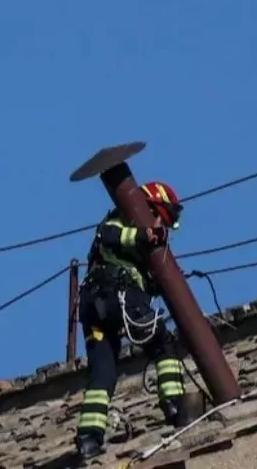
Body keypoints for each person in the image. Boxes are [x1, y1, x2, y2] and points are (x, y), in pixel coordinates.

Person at [73, 181, 190, 461]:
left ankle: (89, 438)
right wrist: (144, 235)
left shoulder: (131, 242)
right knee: (163, 343)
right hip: (119, 297)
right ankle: (175, 405)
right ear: (153, 208)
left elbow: (145, 278)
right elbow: (110, 235)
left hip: (93, 307)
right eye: (162, 218)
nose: (162, 226)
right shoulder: (119, 220)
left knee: (103, 373)